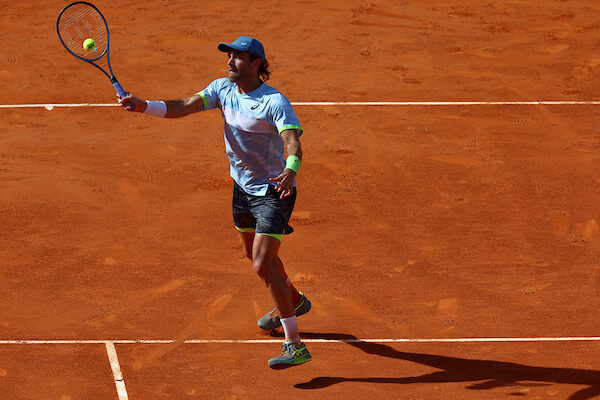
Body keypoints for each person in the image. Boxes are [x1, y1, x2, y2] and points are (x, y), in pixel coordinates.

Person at [118, 36, 312, 369]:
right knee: (252, 254)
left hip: (273, 190)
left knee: (262, 264)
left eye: (238, 57)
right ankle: (293, 300)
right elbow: (185, 105)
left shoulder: (274, 102)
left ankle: (295, 345)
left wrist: (291, 169)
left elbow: (292, 142)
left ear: (256, 64)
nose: (230, 61)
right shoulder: (222, 89)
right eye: (229, 56)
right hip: (242, 188)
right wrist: (144, 105)